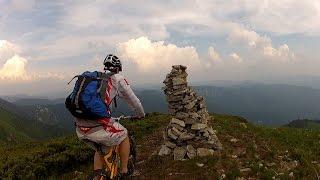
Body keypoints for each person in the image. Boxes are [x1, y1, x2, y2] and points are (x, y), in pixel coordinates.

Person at [75, 54, 145, 177]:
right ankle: (124, 171)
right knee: (124, 134)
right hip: (98, 125)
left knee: (99, 148)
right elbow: (135, 102)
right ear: (118, 68)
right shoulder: (117, 79)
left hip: (80, 127)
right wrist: (141, 114)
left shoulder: (95, 79)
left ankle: (98, 174)